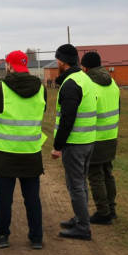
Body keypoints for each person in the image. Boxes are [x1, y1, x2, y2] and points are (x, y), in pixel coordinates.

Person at [0, 50, 47, 250]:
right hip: (31, 152)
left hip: (6, 153)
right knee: (32, 198)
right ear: (25, 66)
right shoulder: (42, 89)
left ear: (9, 66)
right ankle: (36, 238)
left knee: (4, 198)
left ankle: (3, 236)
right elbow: (40, 112)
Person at [51, 44, 97, 241]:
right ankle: (80, 218)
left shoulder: (70, 83)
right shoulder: (84, 79)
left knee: (75, 185)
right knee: (81, 184)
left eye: (57, 60)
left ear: (62, 61)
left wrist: (57, 146)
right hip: (87, 141)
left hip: (75, 143)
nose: (56, 63)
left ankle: (83, 227)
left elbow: (68, 118)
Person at [81, 51, 120, 225]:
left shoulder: (89, 85)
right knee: (108, 174)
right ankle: (111, 209)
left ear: (85, 67)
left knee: (95, 176)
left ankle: (103, 213)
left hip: (95, 137)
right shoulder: (113, 83)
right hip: (111, 136)